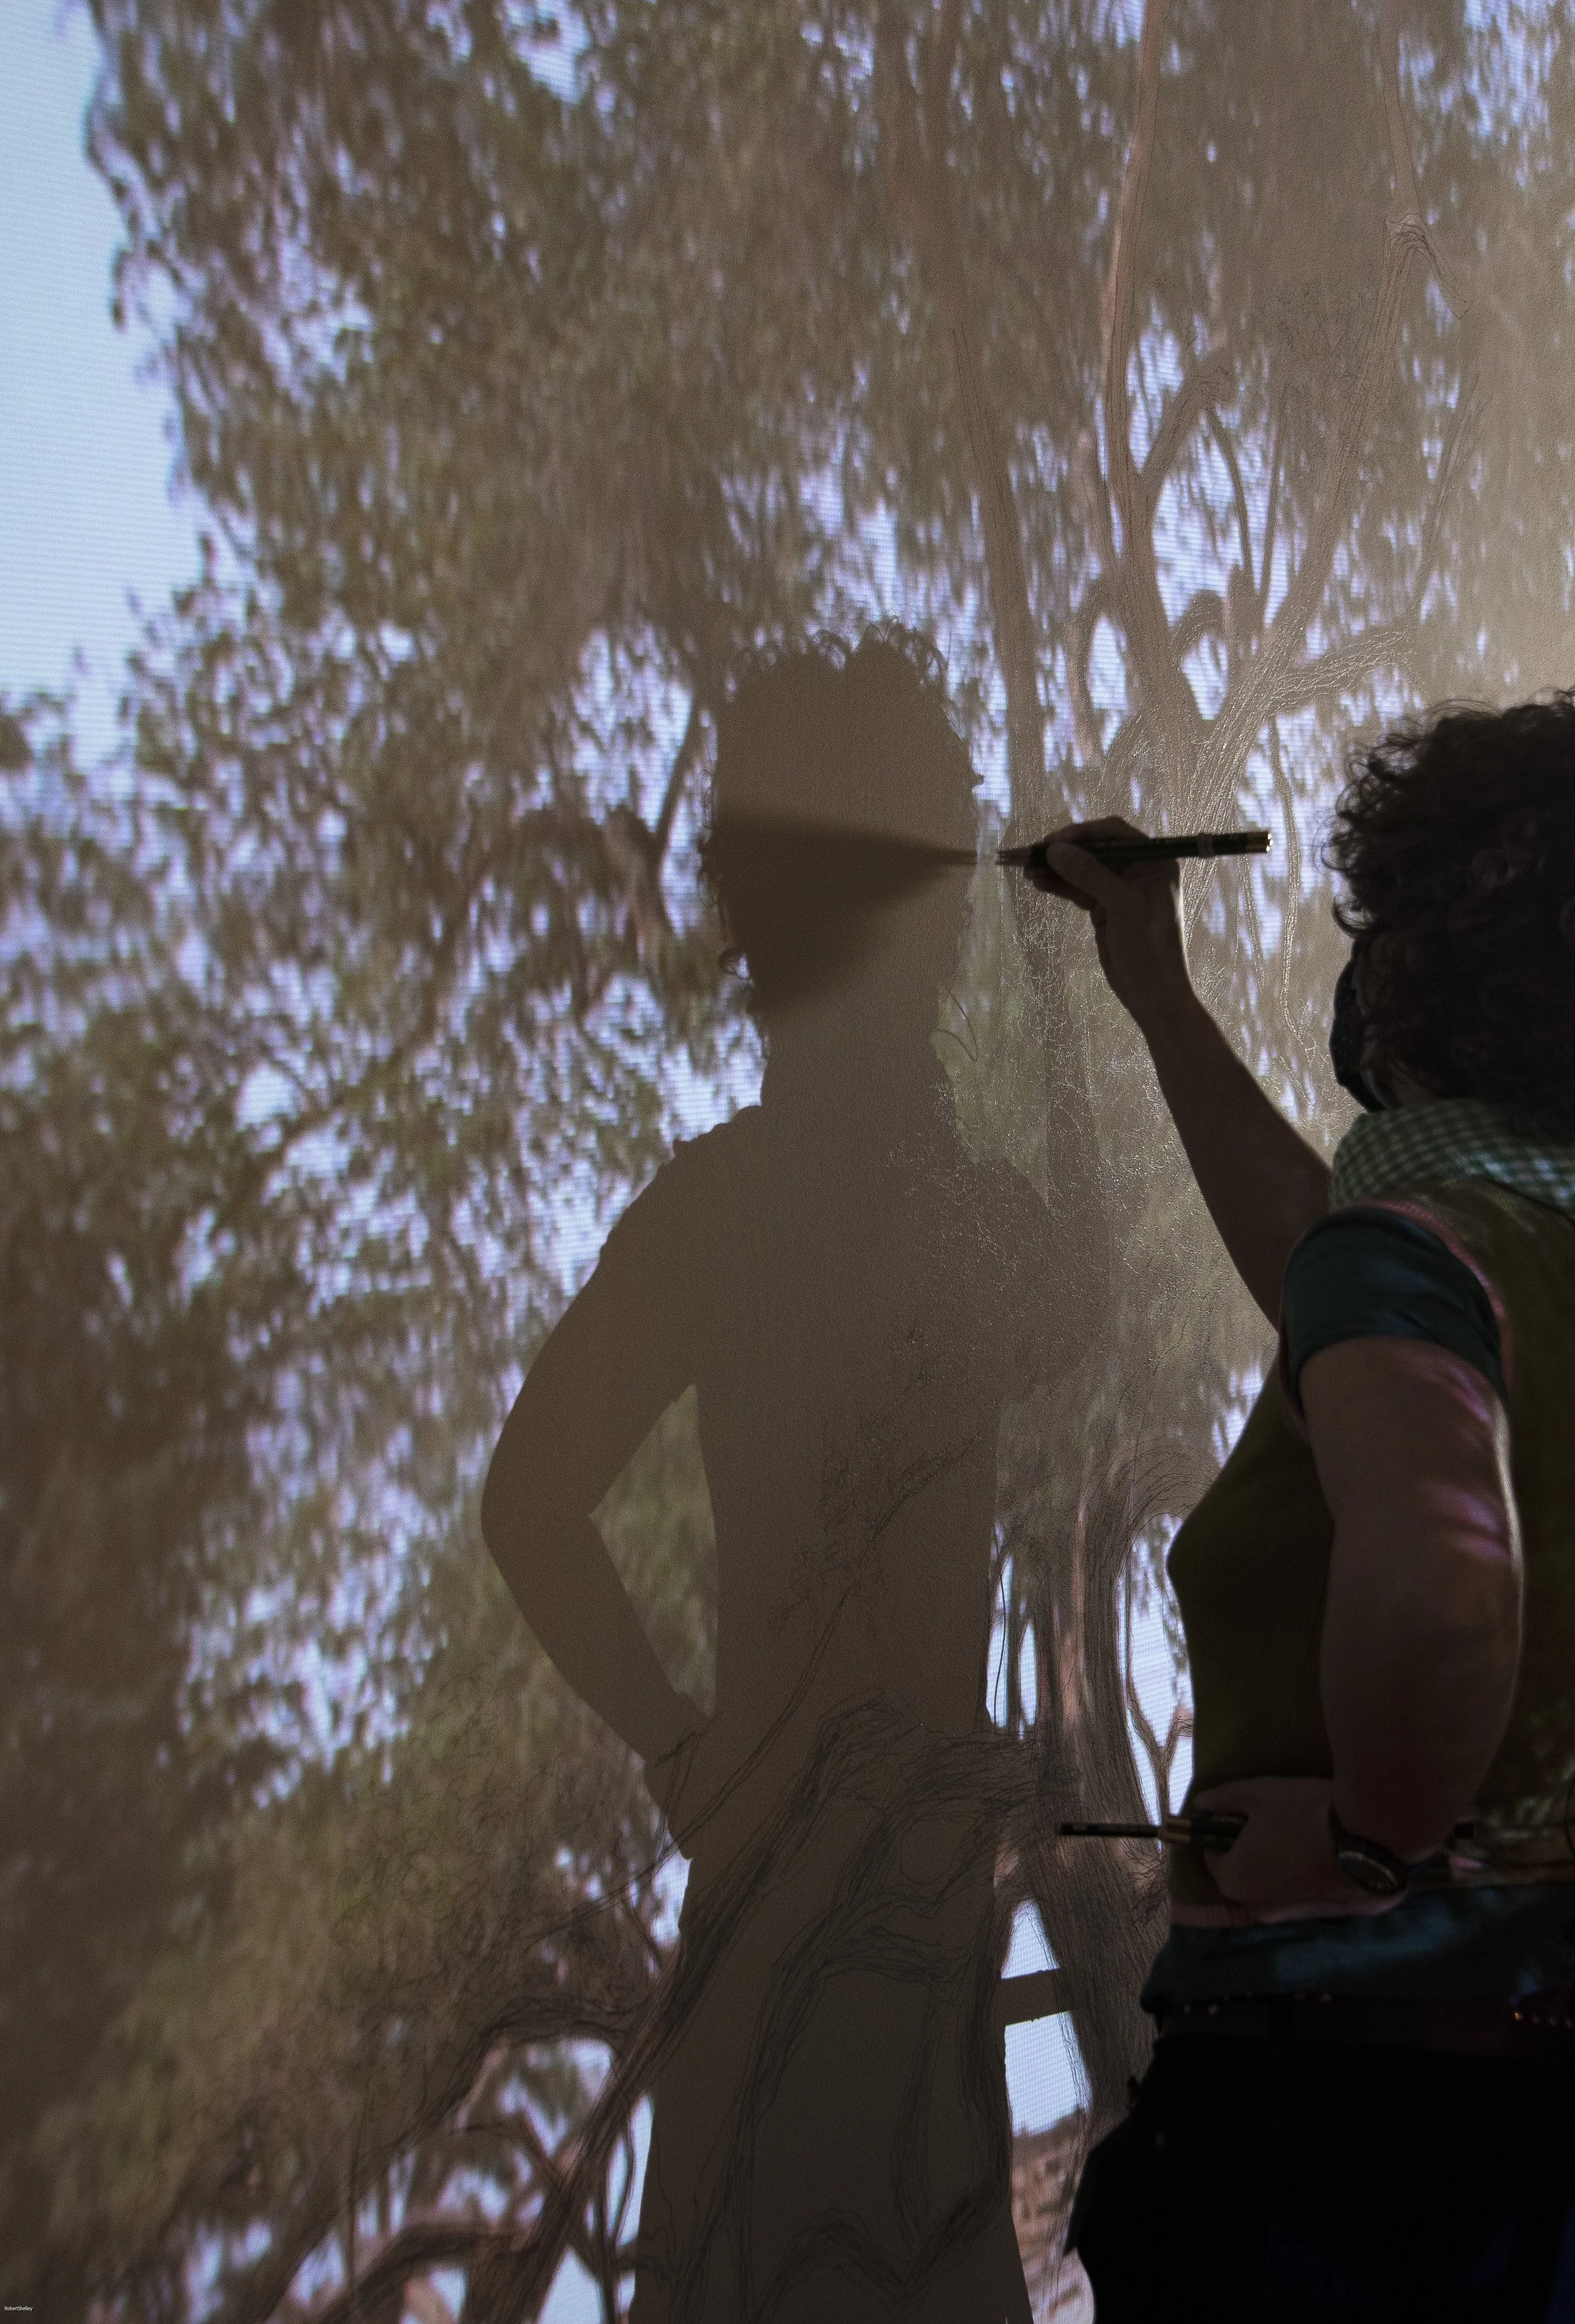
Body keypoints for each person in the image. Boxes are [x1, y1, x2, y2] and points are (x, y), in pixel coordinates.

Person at [1029, 687, 1575, 2323]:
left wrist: (1368, 1835)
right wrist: (1155, 993)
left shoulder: (1409, 1269)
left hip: (1364, 2167)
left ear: (1441, 967)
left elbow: (1446, 1583)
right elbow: (1337, 1289)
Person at [480, 629, 1103, 2323]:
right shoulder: (896, 1222)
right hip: (836, 1937)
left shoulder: (727, 1214)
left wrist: (689, 1757)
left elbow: (525, 1504)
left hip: (825, 1926)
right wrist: (1070, 989)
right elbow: (1090, 1286)